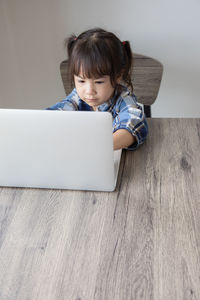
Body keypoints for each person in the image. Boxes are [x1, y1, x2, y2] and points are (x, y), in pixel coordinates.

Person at [47, 28, 148, 150]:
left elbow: (134, 123)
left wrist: (94, 147)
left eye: (99, 82)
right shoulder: (77, 98)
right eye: (81, 81)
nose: (89, 91)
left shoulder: (122, 99)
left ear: (117, 77)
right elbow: (56, 113)